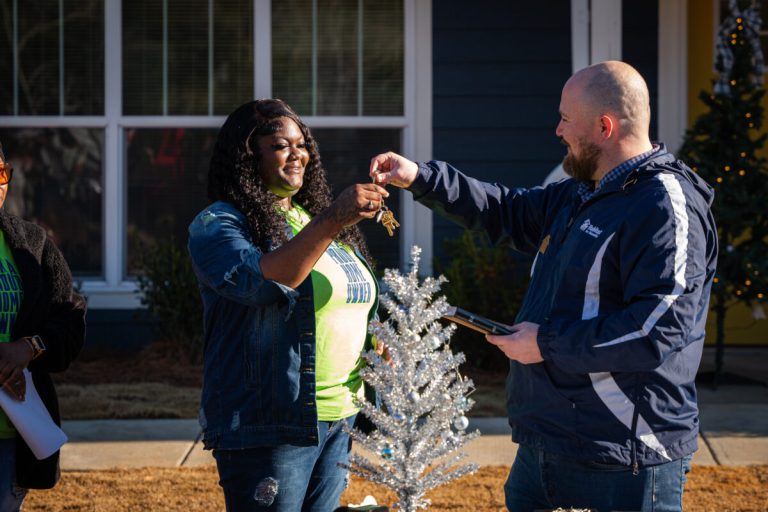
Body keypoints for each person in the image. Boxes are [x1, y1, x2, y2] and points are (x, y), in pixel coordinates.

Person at [369, 61, 718, 512]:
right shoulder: (582, 192)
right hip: (546, 445)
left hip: (624, 458)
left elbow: (658, 329)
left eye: (566, 119)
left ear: (605, 126)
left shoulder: (664, 205)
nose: (557, 130)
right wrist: (421, 177)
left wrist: (547, 345)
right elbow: (506, 210)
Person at [188, 99, 387, 512]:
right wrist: (333, 219)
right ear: (249, 155)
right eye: (281, 145)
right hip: (272, 422)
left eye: (302, 144)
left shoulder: (310, 218)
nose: (298, 154)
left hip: (340, 415)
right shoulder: (219, 224)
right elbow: (261, 283)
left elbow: (346, 302)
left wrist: (374, 340)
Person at [0, 141, 87, 511]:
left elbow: (70, 319)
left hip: (10, 436)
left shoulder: (31, 244)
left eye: (0, 173)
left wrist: (29, 348)